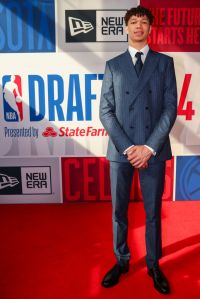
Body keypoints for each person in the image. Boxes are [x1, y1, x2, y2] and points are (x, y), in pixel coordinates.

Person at [99, 5, 177, 295]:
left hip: (153, 151)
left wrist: (149, 147)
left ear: (150, 28)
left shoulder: (164, 63)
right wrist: (130, 147)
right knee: (119, 211)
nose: (138, 26)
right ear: (126, 27)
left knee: (153, 211)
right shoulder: (113, 66)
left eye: (144, 22)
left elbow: (170, 109)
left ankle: (154, 264)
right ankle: (121, 260)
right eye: (133, 22)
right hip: (122, 151)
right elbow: (106, 111)